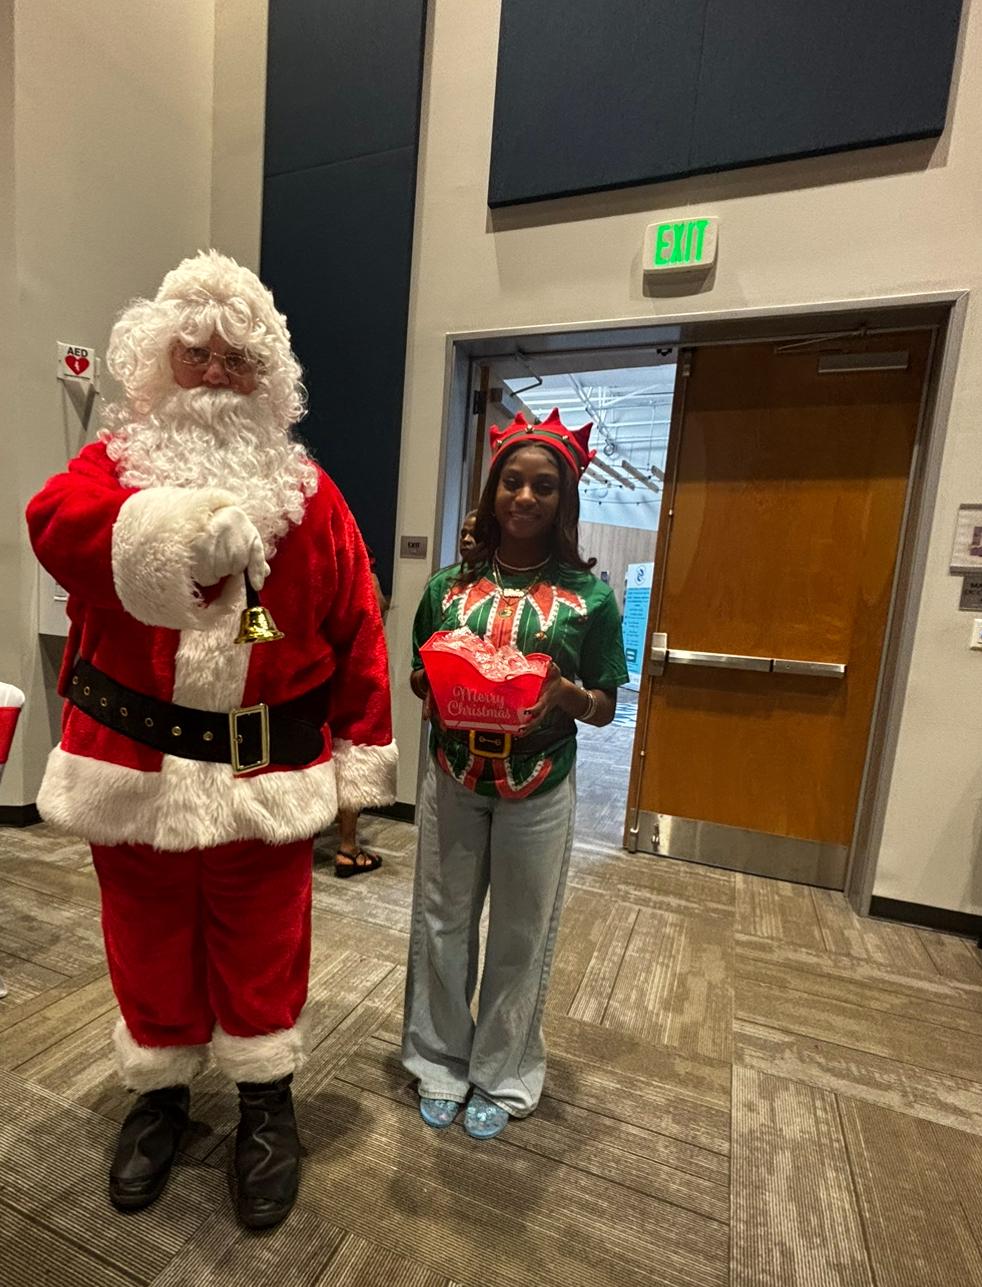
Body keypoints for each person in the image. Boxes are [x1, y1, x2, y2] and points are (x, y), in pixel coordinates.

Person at [26, 251, 396, 1228]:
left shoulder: (309, 494)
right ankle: (160, 1094)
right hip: (130, 765)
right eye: (197, 353)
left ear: (269, 377)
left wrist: (361, 750)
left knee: (265, 937)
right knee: (145, 935)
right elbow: (53, 525)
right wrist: (169, 529)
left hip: (262, 771)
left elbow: (357, 624)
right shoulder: (112, 468)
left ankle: (266, 1102)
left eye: (239, 358)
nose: (218, 374)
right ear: (160, 361)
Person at [403, 409, 628, 1139]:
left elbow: (605, 706)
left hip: (540, 780)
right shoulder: (447, 587)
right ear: (492, 490)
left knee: (521, 932)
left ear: (565, 500)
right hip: (452, 771)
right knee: (442, 921)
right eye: (513, 482)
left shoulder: (591, 599)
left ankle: (502, 1073)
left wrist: (565, 695)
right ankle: (439, 1061)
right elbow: (416, 674)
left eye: (544, 486)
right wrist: (435, 683)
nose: (525, 497)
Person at [333, 552, 389, 877]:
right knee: (351, 753)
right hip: (353, 673)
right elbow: (376, 609)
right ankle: (348, 847)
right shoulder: (362, 568)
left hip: (316, 674)